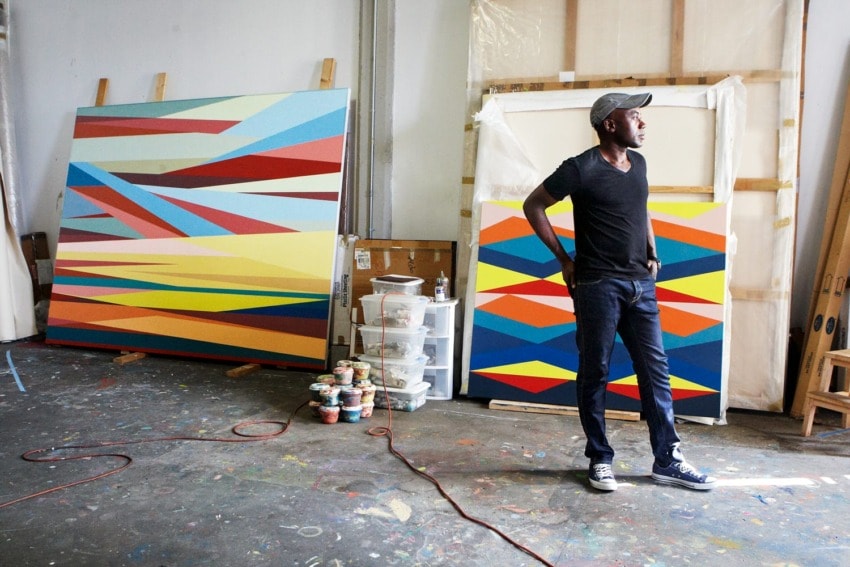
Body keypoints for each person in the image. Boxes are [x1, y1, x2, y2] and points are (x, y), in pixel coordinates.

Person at [522, 92, 716, 492]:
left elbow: (641, 208)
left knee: (655, 371)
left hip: (640, 286)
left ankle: (667, 459)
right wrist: (565, 259)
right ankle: (599, 458)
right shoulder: (580, 169)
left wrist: (653, 251)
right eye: (635, 116)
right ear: (610, 124)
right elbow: (534, 205)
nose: (643, 124)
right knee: (596, 372)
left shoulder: (639, 163)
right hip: (597, 286)